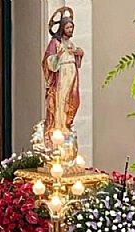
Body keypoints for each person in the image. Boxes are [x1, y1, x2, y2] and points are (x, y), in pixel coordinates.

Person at [42, 7, 84, 141]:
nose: (70, 30)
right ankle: (59, 127)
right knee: (60, 100)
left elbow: (75, 60)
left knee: (72, 100)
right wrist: (58, 56)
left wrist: (79, 55)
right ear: (62, 28)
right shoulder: (55, 43)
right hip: (61, 78)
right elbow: (48, 62)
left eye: (72, 27)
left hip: (72, 75)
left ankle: (66, 124)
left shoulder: (70, 43)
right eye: (68, 28)